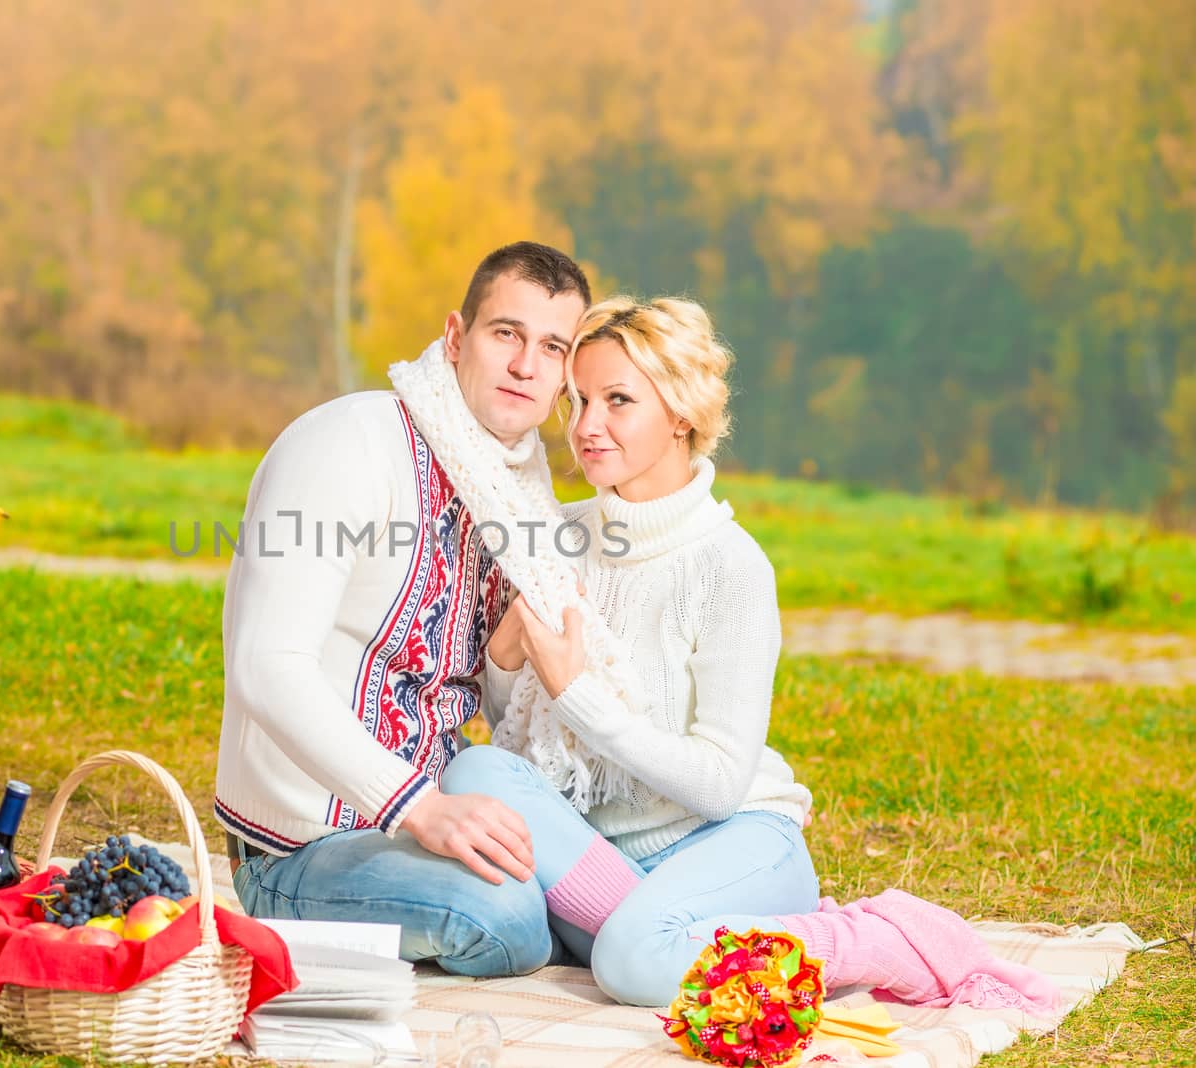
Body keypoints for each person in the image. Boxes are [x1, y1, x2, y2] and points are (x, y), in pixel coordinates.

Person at [442, 296, 1060, 1015]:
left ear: (680, 413)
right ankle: (656, 931)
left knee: (633, 965)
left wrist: (578, 690)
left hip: (731, 840)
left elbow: (717, 787)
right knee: (473, 770)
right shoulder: (562, 535)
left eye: (618, 400)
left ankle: (863, 940)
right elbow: (518, 731)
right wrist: (506, 657)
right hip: (607, 852)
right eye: (578, 400)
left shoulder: (729, 567)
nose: (586, 426)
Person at [213, 241, 590, 976]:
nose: (525, 366)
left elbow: (497, 706)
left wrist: (517, 654)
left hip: (444, 807)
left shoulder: (520, 498)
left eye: (552, 348)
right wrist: (419, 808)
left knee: (609, 889)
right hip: (304, 844)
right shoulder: (348, 443)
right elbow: (266, 666)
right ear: (455, 337)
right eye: (505, 334)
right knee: (511, 918)